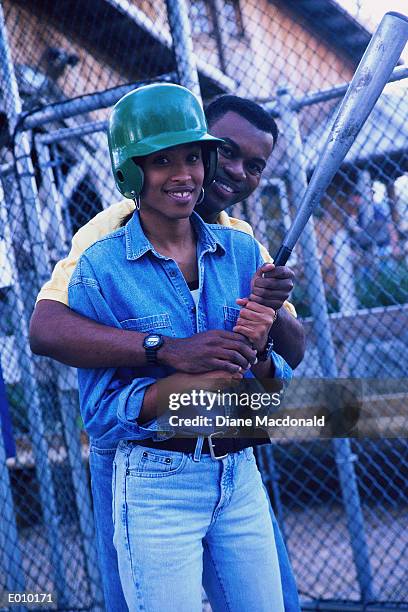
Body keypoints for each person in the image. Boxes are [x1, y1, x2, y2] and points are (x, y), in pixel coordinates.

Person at [30, 93, 304, 611]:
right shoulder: (108, 236)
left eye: (255, 164)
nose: (235, 171)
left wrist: (271, 317)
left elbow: (282, 359)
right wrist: (168, 352)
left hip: (233, 456)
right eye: (227, 152)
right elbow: (46, 330)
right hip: (145, 459)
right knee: (134, 593)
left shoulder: (240, 243)